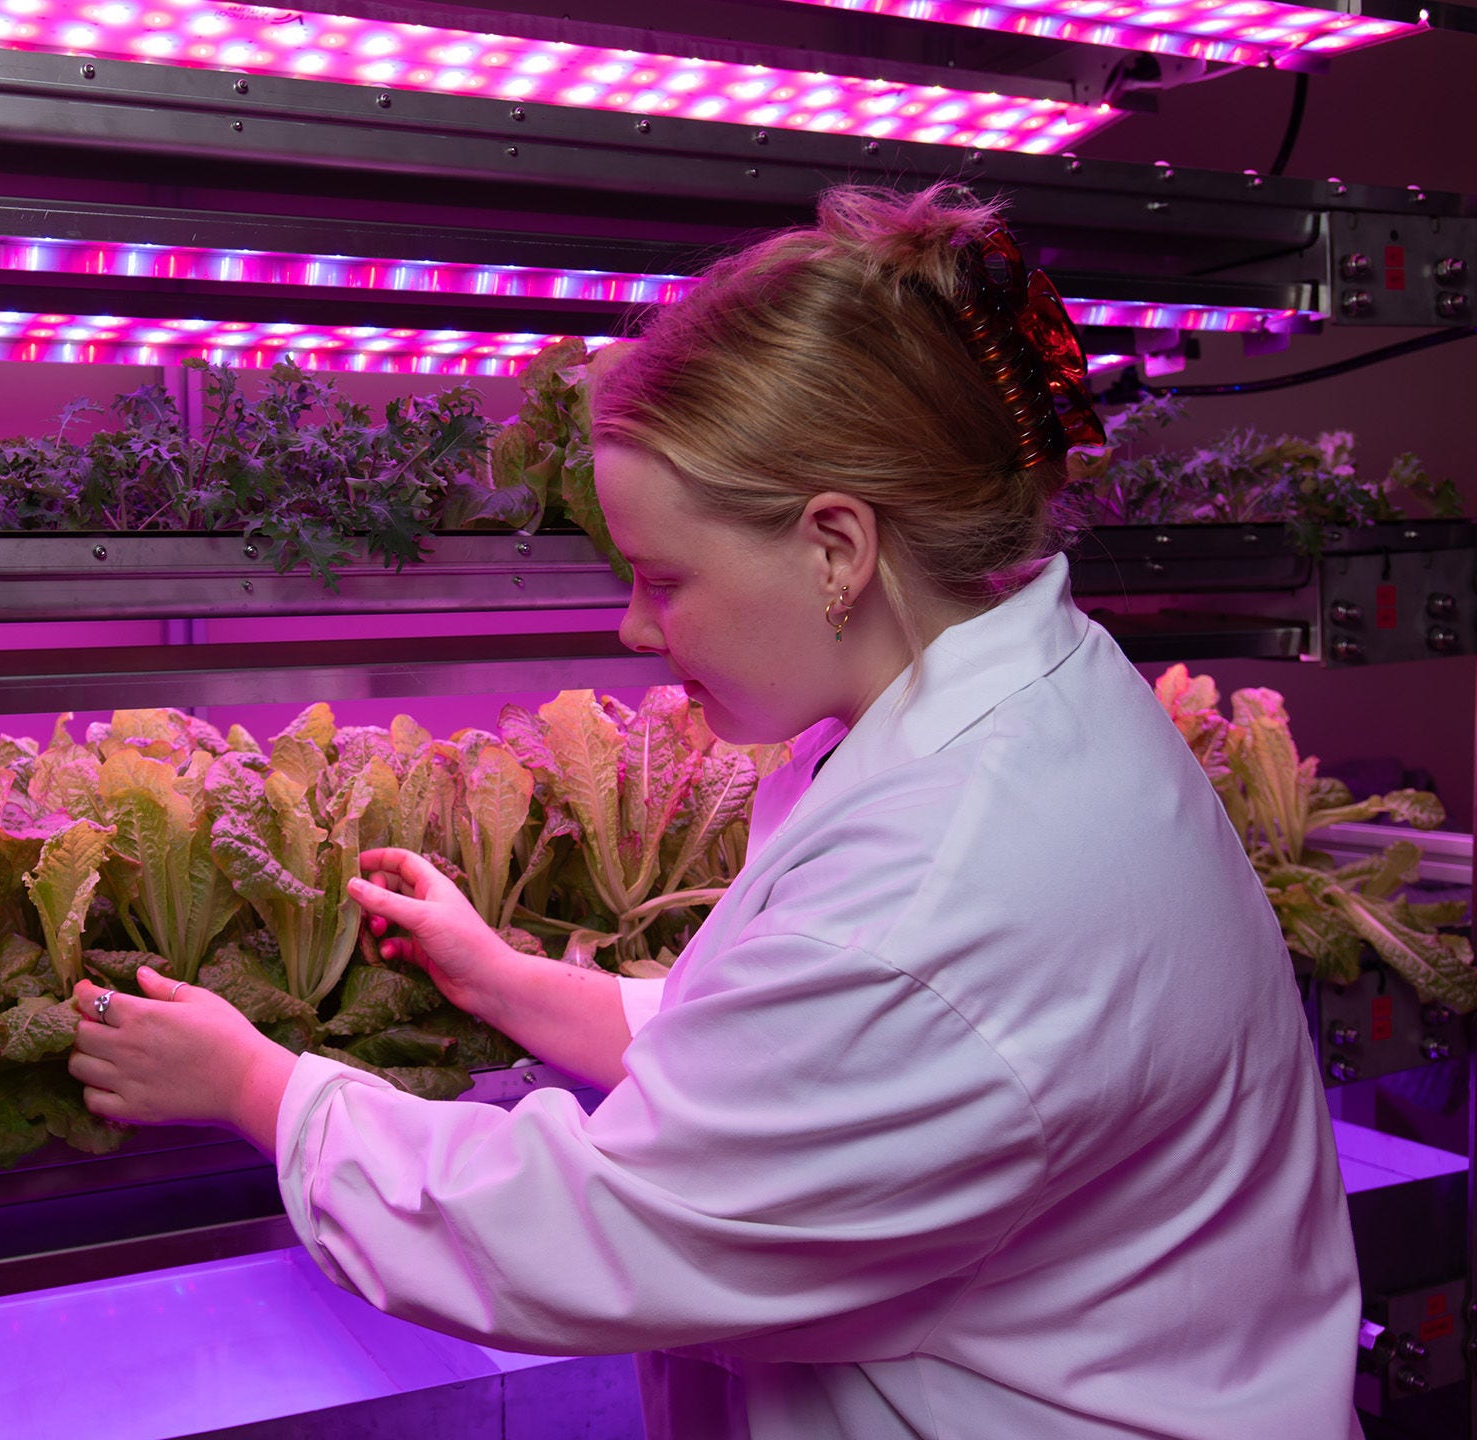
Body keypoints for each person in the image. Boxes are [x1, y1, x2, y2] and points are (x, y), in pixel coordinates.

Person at [68, 184, 1363, 1440]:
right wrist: (510, 980)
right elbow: (788, 1069)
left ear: (836, 549)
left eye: (663, 576)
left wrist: (265, 1089)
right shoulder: (1026, 703)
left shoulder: (946, 891)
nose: (636, 628)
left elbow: (609, 1224)